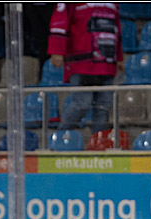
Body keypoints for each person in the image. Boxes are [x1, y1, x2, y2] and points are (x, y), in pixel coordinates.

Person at [48, 2, 123, 134]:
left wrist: (120, 57)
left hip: (107, 63)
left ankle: (99, 143)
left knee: (103, 107)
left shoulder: (113, 4)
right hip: (81, 61)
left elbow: (116, 28)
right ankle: (59, 137)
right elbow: (59, 20)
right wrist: (57, 49)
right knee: (81, 104)